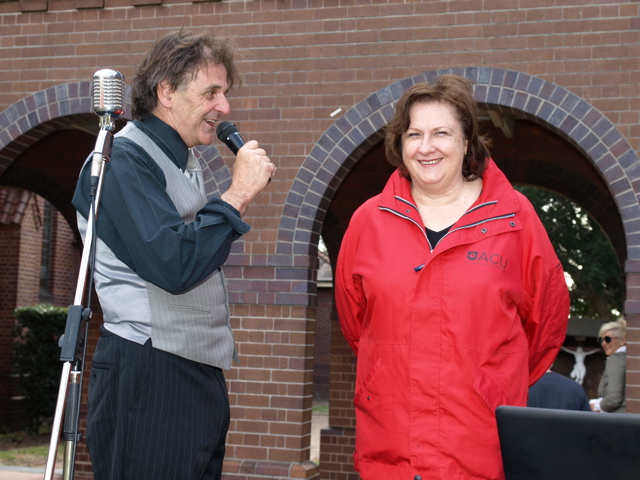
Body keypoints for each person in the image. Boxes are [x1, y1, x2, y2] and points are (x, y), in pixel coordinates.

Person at [334, 75, 570, 480]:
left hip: (479, 446)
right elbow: (356, 325)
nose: (426, 147)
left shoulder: (516, 220)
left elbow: (544, 325)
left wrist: (489, 382)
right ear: (400, 144)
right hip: (390, 446)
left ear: (466, 143)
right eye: (414, 134)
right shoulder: (368, 221)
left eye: (441, 133)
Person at [72, 30, 275, 480]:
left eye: (225, 94)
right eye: (211, 93)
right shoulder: (120, 160)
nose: (224, 108)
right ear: (166, 92)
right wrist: (238, 195)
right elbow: (174, 263)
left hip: (191, 373)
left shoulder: (182, 161)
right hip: (150, 373)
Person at [590, 319, 627, 413]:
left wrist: (597, 406)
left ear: (622, 340)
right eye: (601, 340)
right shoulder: (628, 359)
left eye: (608, 339)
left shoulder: (616, 359)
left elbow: (614, 399)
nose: (603, 343)